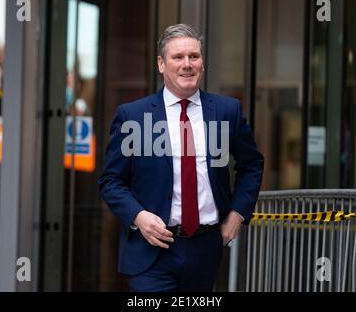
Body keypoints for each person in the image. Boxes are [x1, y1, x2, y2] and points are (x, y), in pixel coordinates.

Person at [98, 24, 264, 292]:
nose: (187, 64)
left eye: (194, 57)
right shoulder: (133, 116)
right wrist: (138, 216)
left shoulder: (226, 111)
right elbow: (111, 181)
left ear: (202, 63)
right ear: (161, 64)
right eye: (178, 57)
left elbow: (252, 163)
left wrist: (238, 213)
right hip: (150, 251)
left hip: (205, 249)